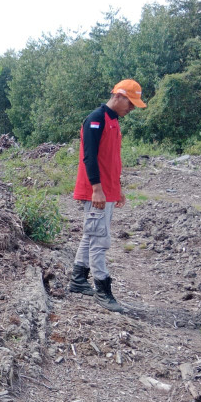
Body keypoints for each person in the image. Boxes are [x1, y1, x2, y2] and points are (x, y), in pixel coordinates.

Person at [69, 79, 146, 312]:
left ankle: (78, 279)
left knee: (91, 234)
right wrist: (97, 189)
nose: (131, 108)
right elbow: (90, 157)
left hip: (106, 190)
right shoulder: (96, 119)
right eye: (130, 103)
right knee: (99, 239)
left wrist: (117, 189)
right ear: (119, 96)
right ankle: (103, 290)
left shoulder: (113, 121)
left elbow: (111, 159)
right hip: (96, 191)